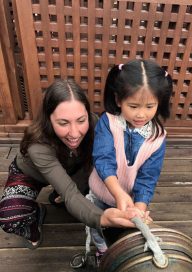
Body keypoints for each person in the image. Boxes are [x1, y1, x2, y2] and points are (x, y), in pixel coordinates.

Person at [0, 79, 144, 250]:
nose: (75, 133)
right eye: (63, 123)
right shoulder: (38, 145)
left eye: (81, 120)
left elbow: (96, 162)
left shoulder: (95, 123)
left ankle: (56, 195)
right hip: (32, 174)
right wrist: (104, 218)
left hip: (70, 169)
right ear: (48, 119)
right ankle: (36, 216)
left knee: (89, 194)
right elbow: (69, 193)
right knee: (10, 218)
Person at [88, 59, 173, 257]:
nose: (141, 114)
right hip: (101, 193)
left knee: (126, 228)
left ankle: (122, 251)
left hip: (131, 198)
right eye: (133, 106)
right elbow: (103, 158)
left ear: (159, 103)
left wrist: (140, 207)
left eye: (150, 106)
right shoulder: (107, 123)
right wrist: (118, 193)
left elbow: (148, 177)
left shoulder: (158, 138)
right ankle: (101, 249)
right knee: (95, 224)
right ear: (118, 100)